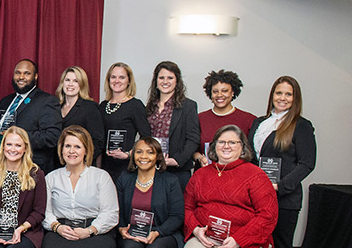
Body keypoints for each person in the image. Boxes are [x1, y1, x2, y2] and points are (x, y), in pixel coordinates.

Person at [249, 76, 316, 248]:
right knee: (261, 246)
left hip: (284, 198)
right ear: (272, 95)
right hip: (258, 198)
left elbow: (307, 163)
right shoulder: (260, 123)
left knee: (281, 247)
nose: (282, 98)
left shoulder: (301, 125)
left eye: (288, 94)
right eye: (279, 93)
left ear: (295, 99)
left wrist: (280, 186)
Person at [0, 59, 62, 173]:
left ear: (36, 76)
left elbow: (52, 136)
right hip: (4, 165)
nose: (21, 77)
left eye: (27, 73)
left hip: (32, 167)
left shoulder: (47, 101)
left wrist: (19, 139)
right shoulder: (5, 102)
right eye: (18, 73)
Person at [144, 61, 200, 191]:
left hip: (176, 171)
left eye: (170, 78)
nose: (165, 81)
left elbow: (193, 139)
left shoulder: (188, 106)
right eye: (161, 77)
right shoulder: (149, 107)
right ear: (156, 81)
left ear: (177, 81)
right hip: (150, 168)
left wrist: (177, 160)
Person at [99, 62, 151, 182]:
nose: (117, 80)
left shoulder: (135, 105)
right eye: (113, 77)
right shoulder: (102, 106)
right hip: (104, 166)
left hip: (125, 166)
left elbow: (146, 137)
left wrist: (129, 154)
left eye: (121, 77)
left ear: (129, 81)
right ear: (108, 80)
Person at [193, 70, 256, 167]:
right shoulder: (199, 119)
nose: (219, 95)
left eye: (224, 91)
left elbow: (252, 153)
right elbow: (192, 149)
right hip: (206, 173)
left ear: (233, 92)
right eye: (215, 91)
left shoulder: (249, 120)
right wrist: (199, 158)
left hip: (238, 175)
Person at [56, 66, 105, 157]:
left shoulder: (90, 107)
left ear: (82, 84)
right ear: (62, 83)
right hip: (58, 163)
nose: (70, 84)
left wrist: (82, 160)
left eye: (76, 81)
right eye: (67, 80)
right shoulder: (56, 107)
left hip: (81, 164)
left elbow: (98, 141)